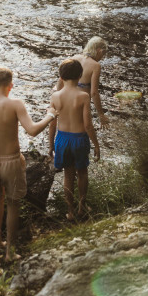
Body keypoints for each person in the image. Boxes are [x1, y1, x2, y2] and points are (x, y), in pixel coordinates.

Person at [0, 66, 56, 261]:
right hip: (12, 162)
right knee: (13, 204)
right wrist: (51, 115)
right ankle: (10, 251)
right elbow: (32, 130)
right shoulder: (16, 104)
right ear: (11, 86)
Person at [49, 56, 100, 221]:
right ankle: (81, 207)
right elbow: (88, 125)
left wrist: (51, 145)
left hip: (62, 139)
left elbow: (51, 124)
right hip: (79, 139)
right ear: (80, 76)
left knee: (68, 175)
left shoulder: (55, 97)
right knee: (82, 173)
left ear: (61, 78)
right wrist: (96, 145)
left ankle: (70, 211)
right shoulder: (83, 96)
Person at [55, 35, 110, 128]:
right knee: (83, 128)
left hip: (66, 99)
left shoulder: (75, 57)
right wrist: (101, 115)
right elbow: (94, 93)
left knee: (66, 127)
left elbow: (61, 80)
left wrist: (57, 97)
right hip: (81, 103)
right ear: (99, 50)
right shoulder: (96, 66)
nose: (102, 57)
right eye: (103, 54)